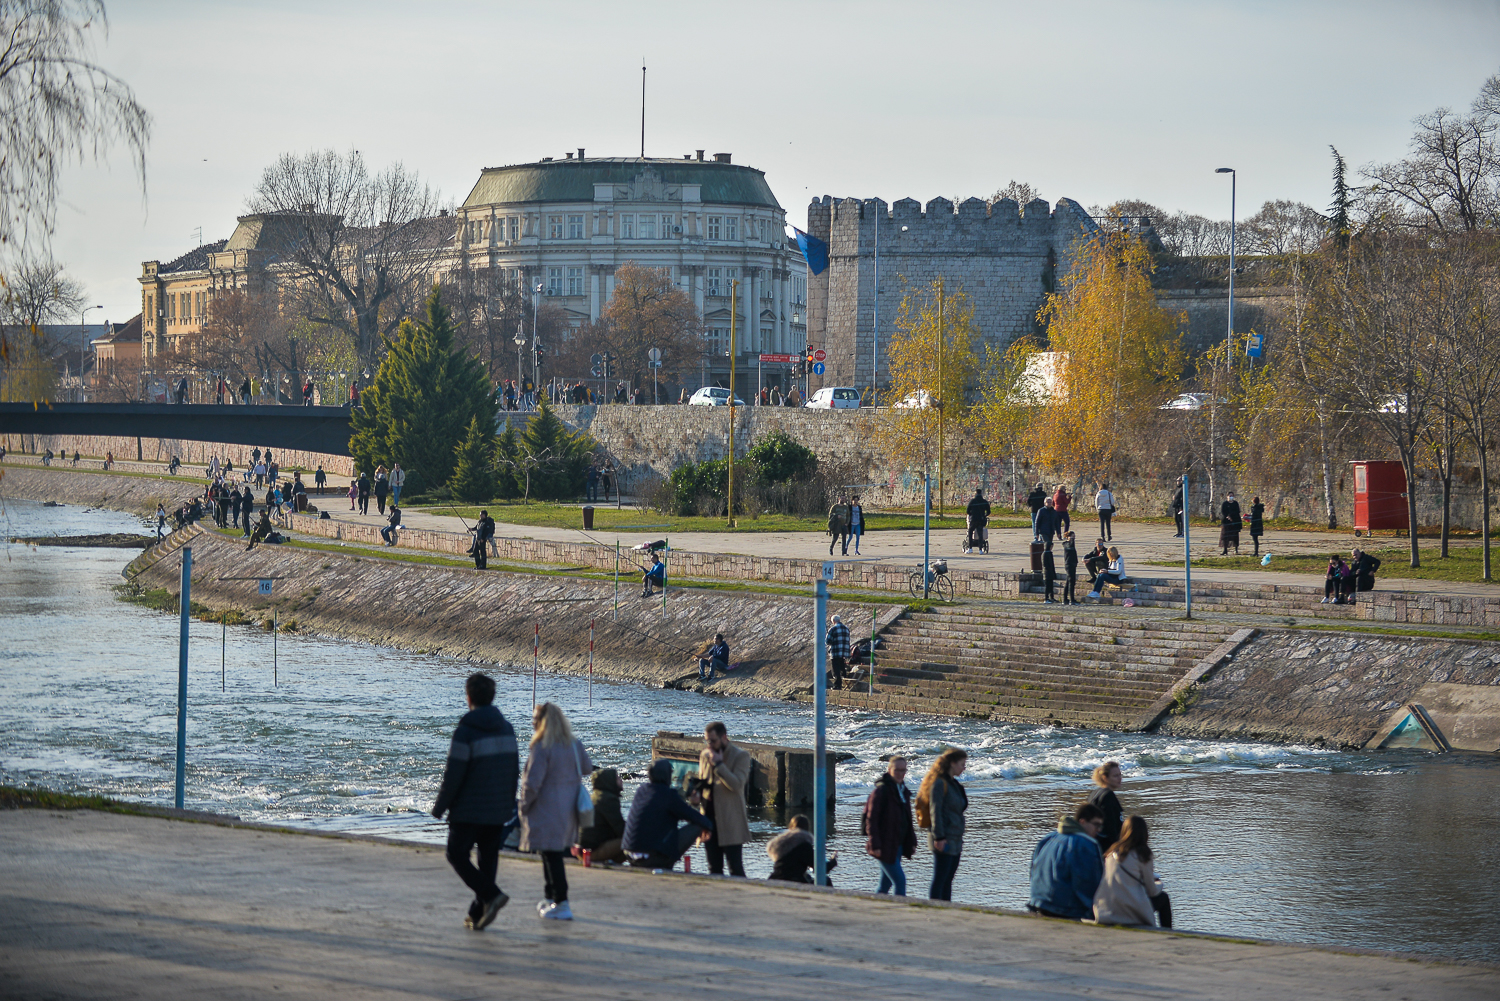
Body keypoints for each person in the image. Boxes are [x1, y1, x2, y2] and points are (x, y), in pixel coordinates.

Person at [430, 672, 519, 932]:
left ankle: (492, 895)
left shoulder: (465, 731)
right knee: (487, 861)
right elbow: (513, 770)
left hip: (468, 809)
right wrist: (508, 804)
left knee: (456, 854)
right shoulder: (507, 729)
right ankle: (477, 913)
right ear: (492, 697)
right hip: (497, 808)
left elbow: (453, 775)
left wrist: (439, 807)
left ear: (468, 697)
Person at [519, 702, 593, 921]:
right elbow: (587, 768)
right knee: (551, 853)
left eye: (535, 719)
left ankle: (561, 902)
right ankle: (550, 897)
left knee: (550, 856)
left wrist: (523, 806)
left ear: (542, 722)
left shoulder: (542, 746)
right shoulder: (574, 744)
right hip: (569, 811)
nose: (532, 723)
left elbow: (532, 783)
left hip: (546, 810)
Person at [622, 757, 713, 870]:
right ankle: (666, 863)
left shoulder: (641, 791)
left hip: (629, 855)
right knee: (698, 826)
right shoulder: (669, 796)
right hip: (650, 859)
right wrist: (695, 803)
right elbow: (699, 819)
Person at [1028, 802, 1105, 920]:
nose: (1099, 830)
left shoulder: (1048, 838)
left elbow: (1033, 871)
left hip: (1039, 903)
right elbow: (1089, 884)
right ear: (1082, 822)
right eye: (1096, 825)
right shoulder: (1085, 844)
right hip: (1065, 908)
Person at [1094, 815, 1171, 928]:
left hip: (1108, 910)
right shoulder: (1143, 854)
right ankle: (1167, 932)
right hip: (1130, 911)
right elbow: (1152, 891)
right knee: (1164, 898)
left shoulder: (1111, 853)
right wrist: (1159, 883)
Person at [697, 721, 751, 877]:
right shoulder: (705, 755)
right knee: (713, 868)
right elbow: (703, 782)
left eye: (713, 741)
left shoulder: (740, 756)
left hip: (730, 820)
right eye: (707, 741)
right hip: (708, 820)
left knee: (735, 868)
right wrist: (696, 795)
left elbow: (737, 784)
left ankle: (740, 892)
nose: (709, 745)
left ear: (724, 737)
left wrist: (719, 764)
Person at [915, 747, 968, 901]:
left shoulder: (954, 784)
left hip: (956, 838)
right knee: (940, 879)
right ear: (952, 763)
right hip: (943, 838)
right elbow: (935, 811)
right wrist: (939, 837)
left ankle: (946, 909)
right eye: (962, 764)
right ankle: (935, 910)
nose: (964, 768)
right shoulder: (939, 784)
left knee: (948, 880)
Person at [863, 756, 917, 895]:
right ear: (889, 770)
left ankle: (875, 906)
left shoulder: (903, 790)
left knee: (885, 884)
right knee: (900, 880)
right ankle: (900, 907)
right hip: (884, 845)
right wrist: (875, 845)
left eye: (903, 770)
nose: (900, 773)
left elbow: (907, 820)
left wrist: (912, 841)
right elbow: (871, 820)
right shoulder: (881, 791)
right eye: (897, 770)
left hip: (898, 844)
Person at [576, 768, 627, 865]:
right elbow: (620, 829)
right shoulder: (608, 799)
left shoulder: (595, 797)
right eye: (617, 778)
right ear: (609, 781)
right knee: (632, 840)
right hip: (591, 853)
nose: (621, 780)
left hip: (583, 851)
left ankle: (612, 864)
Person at [767, 815, 837, 883]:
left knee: (808, 877)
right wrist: (832, 861)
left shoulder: (782, 844)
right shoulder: (803, 846)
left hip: (774, 878)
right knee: (826, 881)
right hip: (793, 880)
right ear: (807, 828)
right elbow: (820, 869)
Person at [1087, 760, 1125, 852]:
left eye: (1120, 775)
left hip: (1092, 845)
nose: (1120, 778)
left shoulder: (1095, 793)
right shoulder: (1108, 796)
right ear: (1105, 778)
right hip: (1105, 848)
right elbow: (1111, 827)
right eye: (1115, 776)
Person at [826, 614, 850, 690]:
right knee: (842, 667)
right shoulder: (846, 628)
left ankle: (837, 685)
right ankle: (845, 680)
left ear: (833, 621)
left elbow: (827, 641)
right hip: (844, 652)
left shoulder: (833, 629)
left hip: (835, 652)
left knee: (835, 669)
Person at [965, 489, 990, 554]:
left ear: (975, 493)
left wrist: (971, 514)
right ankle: (980, 550)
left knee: (970, 532)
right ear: (981, 494)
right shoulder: (984, 501)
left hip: (974, 519)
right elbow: (988, 511)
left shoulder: (972, 501)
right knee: (980, 534)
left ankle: (970, 548)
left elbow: (968, 511)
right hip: (981, 520)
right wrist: (984, 515)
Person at [1219, 491, 1242, 555]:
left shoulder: (1235, 503)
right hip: (1226, 522)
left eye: (1232, 496)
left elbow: (1237, 511)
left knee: (1235, 536)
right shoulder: (1225, 503)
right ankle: (1225, 550)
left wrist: (1232, 517)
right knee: (1225, 536)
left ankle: (1236, 549)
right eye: (1230, 496)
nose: (1231, 497)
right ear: (1227, 496)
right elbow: (1223, 511)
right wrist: (1228, 516)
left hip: (1235, 521)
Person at [1062, 532, 1080, 605]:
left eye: (1074, 537)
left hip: (1072, 564)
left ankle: (1065, 599)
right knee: (1071, 582)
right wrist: (1071, 540)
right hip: (1069, 564)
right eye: (1072, 537)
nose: (1073, 539)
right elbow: (1070, 546)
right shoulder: (1065, 544)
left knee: (1069, 581)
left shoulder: (1071, 544)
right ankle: (1071, 599)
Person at [1042, 539, 1058, 604]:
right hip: (1047, 572)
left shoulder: (1049, 553)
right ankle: (1046, 598)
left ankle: (1051, 597)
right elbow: (1045, 564)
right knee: (1047, 586)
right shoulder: (1045, 553)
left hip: (1050, 572)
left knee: (1051, 586)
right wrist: (1049, 569)